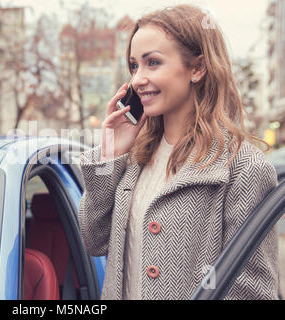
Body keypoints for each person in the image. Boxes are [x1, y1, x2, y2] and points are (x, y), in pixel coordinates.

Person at [78, 4, 279, 300]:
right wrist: (109, 156)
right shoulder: (134, 158)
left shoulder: (243, 168)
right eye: (134, 66)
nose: (137, 79)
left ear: (197, 68)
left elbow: (253, 293)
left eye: (153, 63)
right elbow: (93, 241)